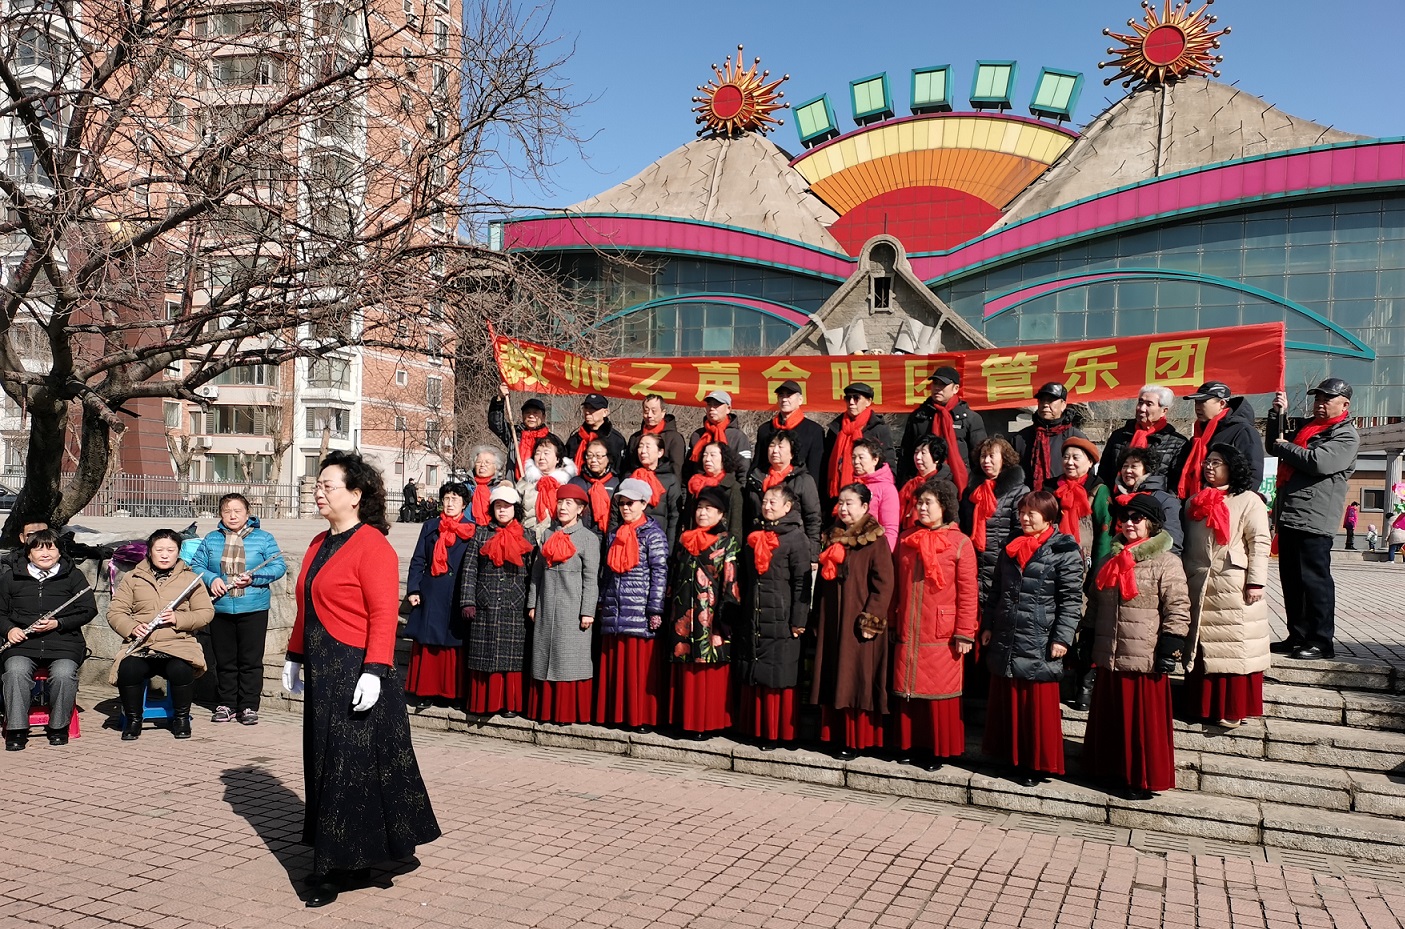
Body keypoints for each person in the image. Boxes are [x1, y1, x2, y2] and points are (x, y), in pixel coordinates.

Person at [281, 450, 439, 907]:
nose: (318, 491)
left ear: (355, 495)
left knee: (348, 766)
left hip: (356, 668)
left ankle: (336, 867)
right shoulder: (318, 542)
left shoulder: (373, 545)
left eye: (327, 485)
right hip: (323, 667)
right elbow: (307, 604)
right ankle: (351, 854)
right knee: (325, 761)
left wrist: (374, 670)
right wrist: (294, 655)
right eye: (318, 484)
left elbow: (384, 614)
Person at [1082, 493, 1190, 800]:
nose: (1129, 523)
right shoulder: (1109, 560)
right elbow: (1094, 602)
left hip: (1144, 657)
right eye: (1125, 518)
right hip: (1110, 654)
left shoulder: (1166, 562)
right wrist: (1087, 637)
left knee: (1141, 724)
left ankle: (1140, 777)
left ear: (1152, 524)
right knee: (1112, 719)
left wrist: (1171, 645)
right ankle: (1109, 771)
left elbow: (1178, 606)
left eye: (1137, 518)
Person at [980, 491, 1083, 786]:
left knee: (1035, 705)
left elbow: (1071, 600)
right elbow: (995, 591)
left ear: (1048, 518)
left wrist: (1062, 638)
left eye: (1031, 514)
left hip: (1040, 636)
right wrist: (988, 625)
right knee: (1010, 700)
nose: (1024, 518)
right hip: (1008, 633)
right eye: (1022, 513)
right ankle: (1010, 758)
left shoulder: (1064, 550)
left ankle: (1036, 764)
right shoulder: (1011, 546)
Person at [1266, 378, 1360, 660]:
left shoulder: (1346, 435)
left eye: (1327, 399)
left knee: (1315, 581)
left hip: (1316, 518)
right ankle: (1297, 636)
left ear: (1344, 404)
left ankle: (1321, 641)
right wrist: (1277, 414)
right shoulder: (1308, 427)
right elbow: (1274, 445)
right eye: (1317, 398)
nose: (1320, 404)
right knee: (1292, 580)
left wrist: (1285, 447)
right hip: (1290, 512)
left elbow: (1318, 462)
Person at [890, 478, 978, 770]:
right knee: (908, 688)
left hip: (943, 631)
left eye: (929, 502)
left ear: (945, 506)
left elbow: (968, 593)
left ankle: (937, 750)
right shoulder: (906, 539)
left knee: (938, 691)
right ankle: (908, 744)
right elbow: (894, 586)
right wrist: (891, 620)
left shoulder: (960, 543)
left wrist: (964, 632)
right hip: (910, 625)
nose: (922, 508)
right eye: (919, 503)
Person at [1183, 444, 1272, 728]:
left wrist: (1256, 581)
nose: (1209, 467)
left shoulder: (1249, 500)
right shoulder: (1193, 502)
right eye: (1207, 462)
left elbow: (1260, 542)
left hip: (1234, 582)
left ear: (1232, 467)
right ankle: (1200, 705)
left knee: (1234, 645)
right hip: (1198, 581)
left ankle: (1232, 707)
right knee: (1202, 644)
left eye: (1216, 462)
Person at [810, 483, 894, 759]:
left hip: (858, 622)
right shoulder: (832, 536)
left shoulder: (875, 540)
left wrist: (871, 619)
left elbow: (884, 584)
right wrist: (817, 616)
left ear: (865, 507)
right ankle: (832, 735)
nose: (843, 508)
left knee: (855, 678)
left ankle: (855, 739)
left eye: (850, 503)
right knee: (834, 674)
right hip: (832, 619)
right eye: (841, 503)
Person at [108, 528, 215, 741]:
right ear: (149, 551)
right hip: (142, 645)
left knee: (181, 670)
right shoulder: (133, 577)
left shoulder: (191, 579)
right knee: (128, 669)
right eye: (159, 550)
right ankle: (133, 719)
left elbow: (206, 612)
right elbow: (115, 612)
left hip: (178, 643)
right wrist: (132, 627)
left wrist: (178, 618)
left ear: (178, 552)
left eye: (170, 550)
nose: (165, 555)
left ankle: (181, 718)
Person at [190, 493, 286, 726]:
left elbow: (278, 566)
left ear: (248, 513)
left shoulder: (263, 538)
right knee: (225, 660)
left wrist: (254, 578)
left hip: (253, 607)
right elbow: (196, 565)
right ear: (220, 514)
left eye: (237, 511)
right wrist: (212, 579)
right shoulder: (212, 539)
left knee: (250, 660)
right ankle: (226, 704)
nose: (232, 516)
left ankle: (249, 705)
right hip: (220, 607)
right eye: (227, 511)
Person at [1, 529, 97, 750]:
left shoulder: (73, 576)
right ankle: (17, 728)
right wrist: (9, 630)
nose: (45, 553)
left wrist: (59, 623)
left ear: (59, 551)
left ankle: (58, 726)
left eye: (51, 548)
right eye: (38, 549)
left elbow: (88, 609)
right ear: (29, 553)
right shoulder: (11, 577)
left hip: (64, 643)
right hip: (22, 644)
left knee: (64, 674)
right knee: (15, 671)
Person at [734, 486, 811, 750]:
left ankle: (777, 733)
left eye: (773, 502)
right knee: (755, 670)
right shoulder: (755, 534)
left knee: (778, 673)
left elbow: (802, 583)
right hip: (755, 612)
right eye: (765, 501)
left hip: (782, 615)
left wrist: (798, 620)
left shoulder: (797, 539)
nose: (766, 506)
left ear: (787, 507)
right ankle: (754, 729)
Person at [595, 479, 670, 730]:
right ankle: (615, 715)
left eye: (631, 503)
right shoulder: (614, 534)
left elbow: (660, 573)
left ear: (644, 504)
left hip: (638, 609)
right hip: (615, 607)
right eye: (622, 503)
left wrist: (655, 608)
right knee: (616, 666)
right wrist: (602, 601)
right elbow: (607, 572)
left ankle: (641, 717)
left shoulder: (653, 535)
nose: (626, 508)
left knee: (637, 667)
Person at [667, 485, 740, 738]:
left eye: (709, 508)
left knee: (708, 665)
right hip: (682, 612)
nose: (703, 513)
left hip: (710, 614)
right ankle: (684, 720)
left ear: (721, 514)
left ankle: (707, 722)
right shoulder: (684, 539)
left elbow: (731, 580)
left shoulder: (727, 541)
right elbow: (674, 575)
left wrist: (726, 613)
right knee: (685, 663)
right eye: (699, 507)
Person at [526, 483, 599, 724]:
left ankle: (566, 713)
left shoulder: (588, 539)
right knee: (544, 656)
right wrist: (532, 604)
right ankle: (544, 711)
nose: (563, 507)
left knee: (569, 659)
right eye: (560, 502)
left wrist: (587, 611)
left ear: (580, 509)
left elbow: (591, 578)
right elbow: (536, 574)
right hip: (546, 606)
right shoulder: (547, 535)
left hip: (573, 609)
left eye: (569, 503)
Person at [458, 485, 534, 717]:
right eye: (498, 506)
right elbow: (469, 569)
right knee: (484, 654)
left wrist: (531, 603)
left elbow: (534, 574)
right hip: (485, 602)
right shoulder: (481, 534)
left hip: (515, 604)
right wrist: (468, 601)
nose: (502, 510)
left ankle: (510, 703)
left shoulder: (528, 536)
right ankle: (483, 703)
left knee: (512, 657)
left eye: (507, 506)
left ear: (515, 509)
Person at [403, 481, 474, 708]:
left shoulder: (472, 530)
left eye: (455, 499)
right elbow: (418, 560)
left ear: (464, 504)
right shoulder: (430, 526)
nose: (450, 503)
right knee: (429, 642)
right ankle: (426, 691)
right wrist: (413, 589)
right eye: (446, 498)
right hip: (432, 591)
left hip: (457, 593)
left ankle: (454, 693)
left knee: (455, 643)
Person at [959, 437, 1029, 611]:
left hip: (1003, 565)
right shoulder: (971, 491)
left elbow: (1021, 531)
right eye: (983, 456)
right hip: (975, 564)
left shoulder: (1019, 492)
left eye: (991, 456)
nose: (986, 461)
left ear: (1004, 458)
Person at [899, 365, 986, 489]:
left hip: (961, 484)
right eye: (935, 383)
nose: (937, 388)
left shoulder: (970, 419)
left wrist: (977, 485)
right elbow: (906, 455)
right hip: (924, 484)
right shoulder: (919, 417)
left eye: (943, 385)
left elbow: (979, 457)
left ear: (956, 388)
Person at [1173, 381, 1265, 498]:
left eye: (1203, 402)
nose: (1197, 407)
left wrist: (1234, 499)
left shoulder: (1242, 431)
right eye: (1196, 402)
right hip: (1198, 498)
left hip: (1227, 500)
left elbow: (1253, 472)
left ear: (1221, 403)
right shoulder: (1199, 434)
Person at [744, 431, 822, 559]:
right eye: (772, 445)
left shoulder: (803, 480)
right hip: (759, 545)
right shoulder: (756, 478)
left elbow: (813, 518)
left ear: (792, 453)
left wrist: (813, 554)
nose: (775, 451)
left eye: (780, 446)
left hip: (793, 548)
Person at [1096, 385, 1187, 488]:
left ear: (1163, 411)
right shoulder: (1119, 436)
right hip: (1116, 495)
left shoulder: (1177, 443)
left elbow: (1176, 484)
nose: (1141, 408)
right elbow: (1103, 473)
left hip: (1156, 497)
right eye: (1140, 402)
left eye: (1149, 404)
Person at [823, 382, 897, 506]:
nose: (851, 402)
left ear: (868, 401)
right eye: (848, 398)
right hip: (838, 495)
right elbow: (826, 463)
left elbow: (889, 463)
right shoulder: (836, 428)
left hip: (870, 493)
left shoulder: (878, 429)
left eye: (856, 398)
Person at [1046, 437, 1111, 573]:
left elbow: (1104, 533)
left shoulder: (1098, 489)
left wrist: (1098, 570)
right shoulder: (1050, 488)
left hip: (1084, 562)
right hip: (1050, 558)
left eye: (1076, 458)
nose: (1069, 462)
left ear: (1090, 462)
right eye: (1066, 457)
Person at [1013, 382, 1088, 490]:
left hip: (1066, 496)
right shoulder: (1020, 438)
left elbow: (1088, 475)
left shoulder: (1076, 438)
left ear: (1063, 405)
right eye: (1042, 400)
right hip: (1028, 498)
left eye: (1051, 400)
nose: (1045, 404)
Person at [1112, 448, 1184, 553]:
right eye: (1125, 466)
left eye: (1134, 466)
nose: (1127, 470)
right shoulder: (1119, 499)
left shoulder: (1165, 501)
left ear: (1147, 469)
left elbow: (1173, 544)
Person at [752, 380, 825, 480]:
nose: (784, 399)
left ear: (800, 400)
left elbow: (815, 470)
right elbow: (757, 465)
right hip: (769, 485)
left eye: (789, 395)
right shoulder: (765, 429)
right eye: (781, 395)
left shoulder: (814, 431)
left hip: (799, 485)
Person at [488, 385, 558, 480]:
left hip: (542, 485)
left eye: (535, 413)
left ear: (543, 417)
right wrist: (499, 400)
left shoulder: (552, 440)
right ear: (522, 416)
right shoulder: (514, 434)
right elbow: (496, 424)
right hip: (516, 485)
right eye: (527, 412)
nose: (531, 416)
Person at [517, 434, 577, 543]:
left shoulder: (566, 485)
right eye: (537, 453)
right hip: (527, 539)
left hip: (557, 539)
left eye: (546, 453)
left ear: (557, 458)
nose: (541, 457)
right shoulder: (524, 483)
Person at [627, 432, 682, 548]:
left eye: (648, 446)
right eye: (640, 446)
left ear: (660, 452)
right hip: (631, 540)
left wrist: (669, 547)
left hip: (658, 542)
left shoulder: (670, 480)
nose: (643, 451)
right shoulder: (630, 477)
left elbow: (674, 517)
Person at [686, 390, 753, 482]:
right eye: (709, 404)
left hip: (728, 487)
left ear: (728, 409)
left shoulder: (738, 437)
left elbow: (744, 470)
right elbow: (688, 469)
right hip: (699, 487)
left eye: (716, 405)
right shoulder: (698, 435)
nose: (712, 408)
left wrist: (737, 489)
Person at [682, 441, 745, 539]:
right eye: (705, 455)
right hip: (694, 539)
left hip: (719, 543)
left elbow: (735, 526)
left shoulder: (733, 488)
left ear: (723, 459)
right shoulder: (695, 484)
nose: (707, 459)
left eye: (712, 455)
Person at [625, 394, 687, 481]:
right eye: (646, 411)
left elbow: (677, 470)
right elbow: (628, 467)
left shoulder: (674, 438)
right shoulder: (635, 438)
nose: (649, 415)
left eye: (654, 411)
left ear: (663, 413)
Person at [899, 434, 953, 531]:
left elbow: (952, 518)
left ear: (936, 458)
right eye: (916, 452)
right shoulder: (910, 483)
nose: (918, 457)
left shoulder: (945, 485)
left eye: (923, 453)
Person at [853, 438, 899, 550]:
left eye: (861, 457)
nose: (856, 461)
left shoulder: (887, 489)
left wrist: (884, 555)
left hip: (874, 549)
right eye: (853, 457)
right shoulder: (852, 485)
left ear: (875, 460)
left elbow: (890, 528)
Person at [565, 393, 628, 473]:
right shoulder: (575, 439)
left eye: (593, 408)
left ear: (605, 412)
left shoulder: (616, 440)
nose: (587, 412)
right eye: (586, 407)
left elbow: (622, 468)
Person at [570, 439, 620, 537]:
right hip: (581, 536)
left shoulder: (617, 483)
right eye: (589, 456)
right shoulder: (576, 483)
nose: (593, 460)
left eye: (598, 456)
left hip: (609, 536)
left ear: (608, 458)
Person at [465, 446, 505, 525]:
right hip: (467, 528)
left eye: (487, 462)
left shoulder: (501, 488)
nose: (482, 465)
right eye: (479, 462)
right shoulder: (465, 488)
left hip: (494, 529)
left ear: (496, 467)